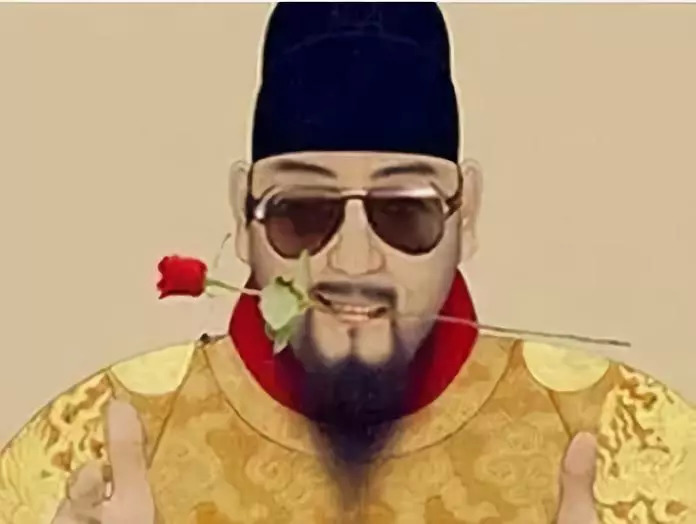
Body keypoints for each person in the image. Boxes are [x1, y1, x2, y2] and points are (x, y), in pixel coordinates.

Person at [1, 4, 694, 523]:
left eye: (404, 211)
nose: (354, 261)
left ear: (466, 215)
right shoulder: (89, 449)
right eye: (303, 212)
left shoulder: (635, 446)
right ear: (242, 215)